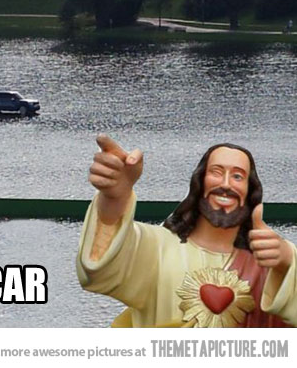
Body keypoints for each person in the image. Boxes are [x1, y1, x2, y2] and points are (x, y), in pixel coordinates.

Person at [77, 134, 297, 327]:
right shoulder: (158, 248)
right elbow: (100, 269)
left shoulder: (269, 262)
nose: (226, 184)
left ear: (250, 190)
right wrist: (114, 199)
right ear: (199, 181)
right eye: (216, 172)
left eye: (238, 176)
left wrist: (286, 262)